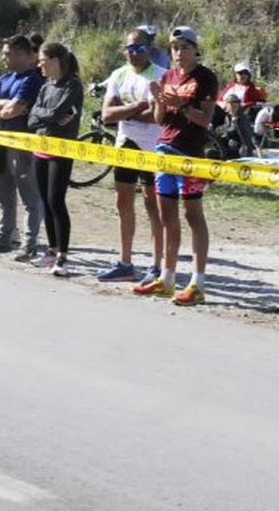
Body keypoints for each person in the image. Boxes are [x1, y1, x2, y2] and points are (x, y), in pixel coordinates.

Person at [135, 25, 218, 305]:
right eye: (174, 48)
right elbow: (160, 118)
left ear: (196, 50)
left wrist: (182, 104)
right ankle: (167, 278)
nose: (179, 52)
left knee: (193, 215)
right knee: (166, 215)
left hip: (190, 152)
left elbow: (206, 120)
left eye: (184, 47)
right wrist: (159, 99)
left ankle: (198, 282)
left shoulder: (205, 77)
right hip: (163, 148)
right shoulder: (168, 75)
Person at [99, 30, 167, 282]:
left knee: (154, 204)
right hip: (125, 143)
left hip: (153, 145)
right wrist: (137, 108)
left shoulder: (161, 75)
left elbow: (156, 116)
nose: (135, 53)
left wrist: (125, 112)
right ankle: (125, 262)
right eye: (131, 49)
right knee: (123, 202)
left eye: (140, 48)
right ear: (124, 50)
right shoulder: (118, 75)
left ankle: (157, 264)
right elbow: (106, 114)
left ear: (149, 49)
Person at [0, 34, 44, 257]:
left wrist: (3, 106)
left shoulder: (33, 80)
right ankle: (3, 237)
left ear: (23, 54)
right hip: (2, 142)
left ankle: (29, 243)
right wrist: (5, 104)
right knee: (3, 192)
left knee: (30, 196)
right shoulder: (5, 78)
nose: (3, 57)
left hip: (24, 144)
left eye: (8, 53)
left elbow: (12, 111)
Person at [26, 43, 83, 276]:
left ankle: (63, 256)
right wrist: (45, 117)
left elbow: (58, 114)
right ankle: (51, 250)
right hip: (40, 147)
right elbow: (32, 118)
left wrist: (45, 117)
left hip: (61, 150)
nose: (39, 64)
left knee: (56, 200)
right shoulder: (45, 86)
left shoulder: (73, 85)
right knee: (44, 201)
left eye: (42, 60)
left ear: (55, 60)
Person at [216, 60, 267, 157]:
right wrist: (222, 104)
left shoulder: (251, 88)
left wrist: (242, 105)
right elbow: (218, 99)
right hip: (225, 110)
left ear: (248, 75)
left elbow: (258, 102)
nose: (242, 75)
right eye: (239, 73)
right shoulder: (230, 86)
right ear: (235, 75)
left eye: (245, 73)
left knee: (235, 107)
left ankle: (241, 141)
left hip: (241, 112)